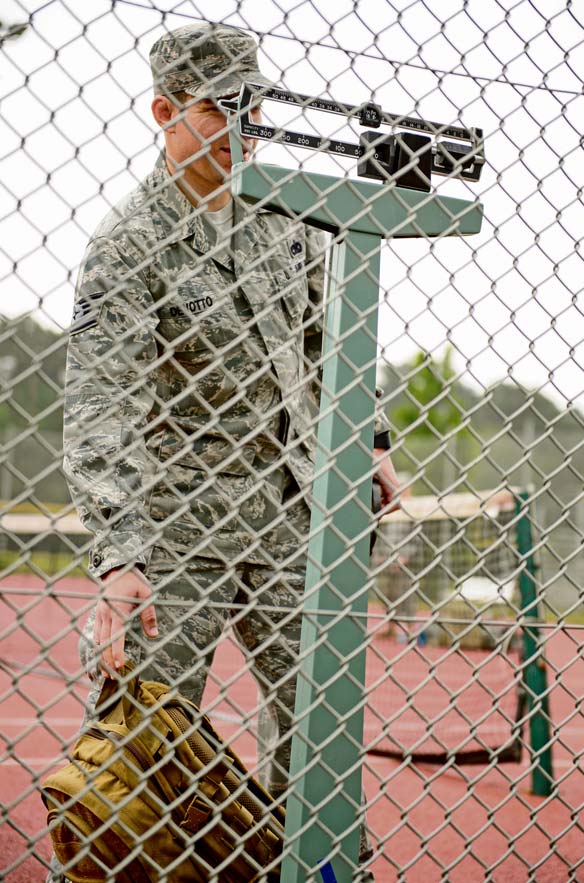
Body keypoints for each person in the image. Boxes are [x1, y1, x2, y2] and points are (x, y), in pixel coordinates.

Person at [57, 21, 400, 882]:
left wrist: (374, 438)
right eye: (221, 108)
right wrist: (120, 553)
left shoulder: (286, 211)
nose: (244, 126)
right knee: (145, 738)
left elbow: (336, 331)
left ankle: (321, 867)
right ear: (164, 110)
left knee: (317, 718)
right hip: (178, 526)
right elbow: (103, 402)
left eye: (255, 106)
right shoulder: (129, 241)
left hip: (291, 511)